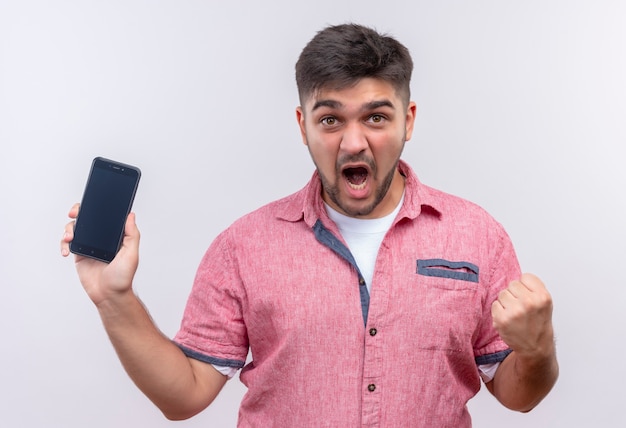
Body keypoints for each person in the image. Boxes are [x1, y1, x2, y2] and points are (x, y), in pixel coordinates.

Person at [61, 23, 558, 427]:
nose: (354, 143)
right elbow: (183, 397)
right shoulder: (244, 246)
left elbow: (518, 397)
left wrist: (538, 348)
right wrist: (114, 298)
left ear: (408, 120)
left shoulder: (477, 235)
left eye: (377, 118)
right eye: (330, 120)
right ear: (303, 126)